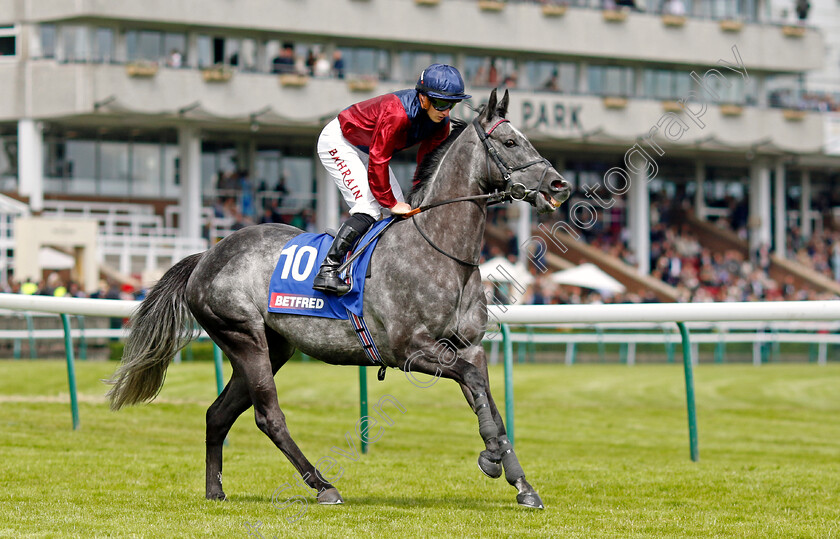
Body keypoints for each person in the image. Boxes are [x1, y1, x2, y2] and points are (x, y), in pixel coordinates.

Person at [312, 63, 471, 295]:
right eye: (440, 103)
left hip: (369, 150)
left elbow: (425, 166)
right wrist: (390, 202)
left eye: (452, 104)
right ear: (423, 98)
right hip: (340, 141)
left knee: (403, 217)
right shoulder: (397, 113)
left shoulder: (441, 124)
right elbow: (379, 158)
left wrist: (420, 200)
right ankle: (328, 270)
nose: (446, 111)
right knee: (368, 210)